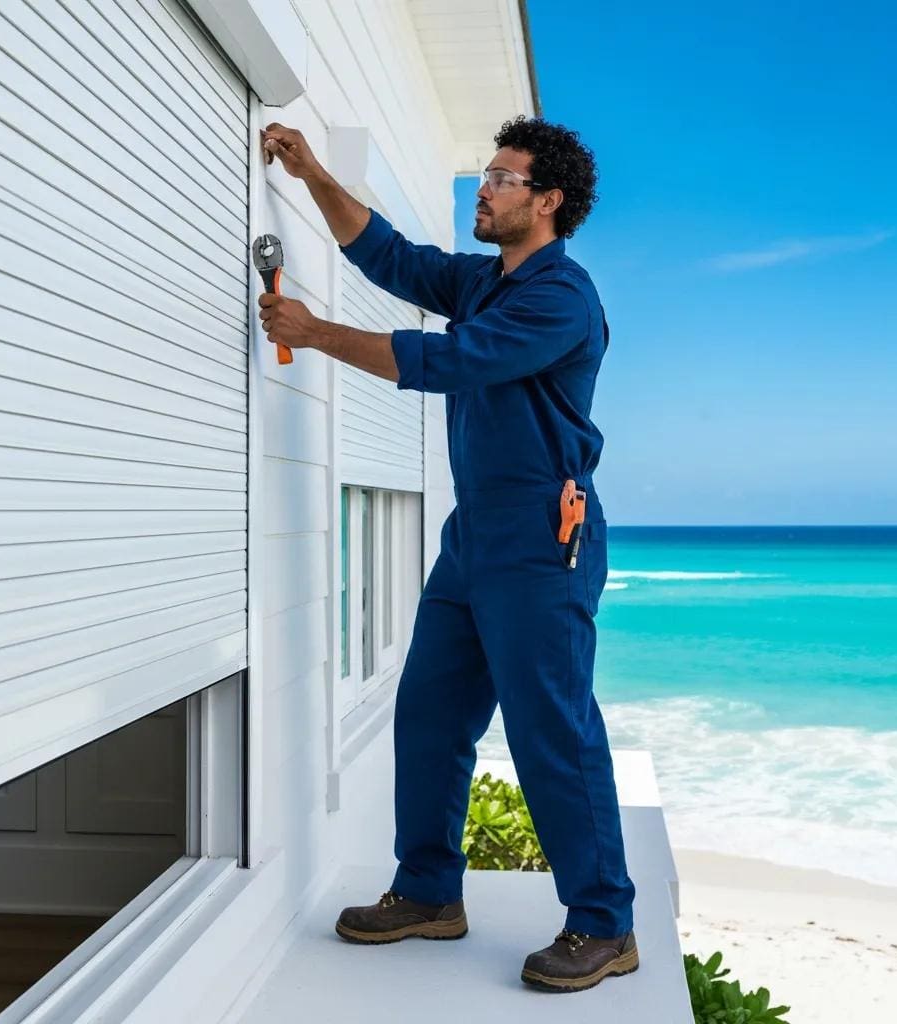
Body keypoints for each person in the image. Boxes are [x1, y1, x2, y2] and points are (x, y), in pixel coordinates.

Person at [258, 116, 638, 994]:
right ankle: (429, 891)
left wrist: (315, 335)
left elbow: (450, 362)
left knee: (552, 729)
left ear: (547, 202)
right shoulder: (482, 280)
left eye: (503, 179)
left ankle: (604, 922)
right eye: (486, 176)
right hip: (474, 538)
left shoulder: (560, 297)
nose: (486, 190)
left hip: (545, 536)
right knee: (429, 715)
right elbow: (389, 256)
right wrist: (313, 171)